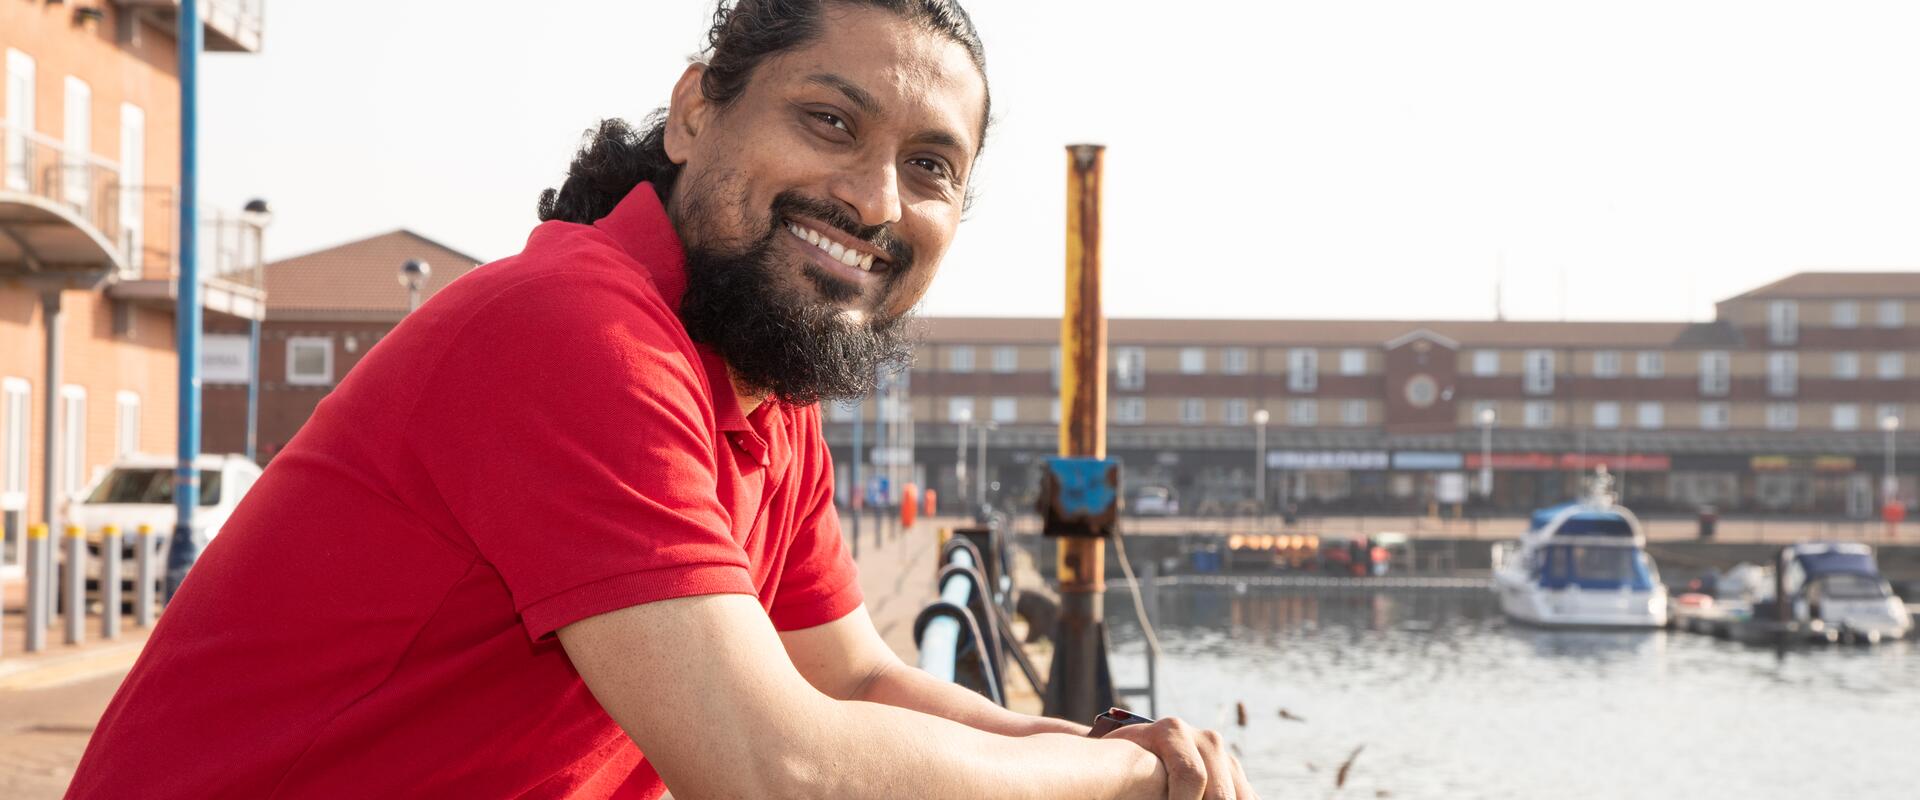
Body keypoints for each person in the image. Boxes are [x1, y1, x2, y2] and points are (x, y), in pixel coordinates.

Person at [68, 1, 1256, 798]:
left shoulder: (761, 395)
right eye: (828, 121)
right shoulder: (573, 333)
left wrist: (1106, 734)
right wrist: (1129, 778)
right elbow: (772, 762)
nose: (877, 198)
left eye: (931, 166)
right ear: (695, 112)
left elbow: (851, 676)